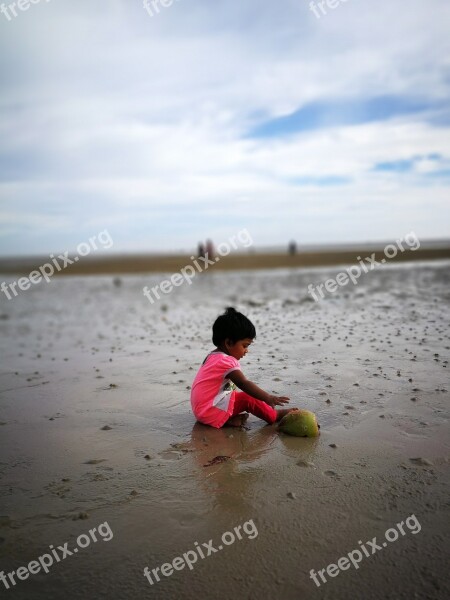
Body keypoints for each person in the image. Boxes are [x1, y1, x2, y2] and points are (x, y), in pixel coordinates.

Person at [190, 307, 298, 428]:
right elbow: (243, 383)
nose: (246, 351)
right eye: (245, 345)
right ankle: (274, 415)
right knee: (247, 398)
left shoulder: (212, 356)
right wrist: (268, 398)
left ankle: (227, 419)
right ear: (229, 343)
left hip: (201, 410)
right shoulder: (227, 361)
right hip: (209, 410)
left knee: (232, 387)